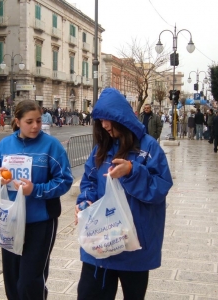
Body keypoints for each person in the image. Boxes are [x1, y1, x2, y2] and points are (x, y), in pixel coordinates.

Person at [75, 88, 173, 299]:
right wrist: (85, 202)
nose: (104, 125)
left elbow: (160, 187)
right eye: (100, 120)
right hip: (101, 243)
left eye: (108, 119)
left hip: (134, 246)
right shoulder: (101, 149)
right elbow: (89, 181)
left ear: (121, 117)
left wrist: (131, 171)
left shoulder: (149, 148)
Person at [0, 100, 73, 300]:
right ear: (17, 121)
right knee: (12, 280)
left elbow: (65, 181)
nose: (35, 126)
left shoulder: (51, 146)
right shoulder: (5, 145)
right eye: (29, 121)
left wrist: (35, 190)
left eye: (39, 121)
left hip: (40, 221)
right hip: (10, 222)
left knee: (30, 280)